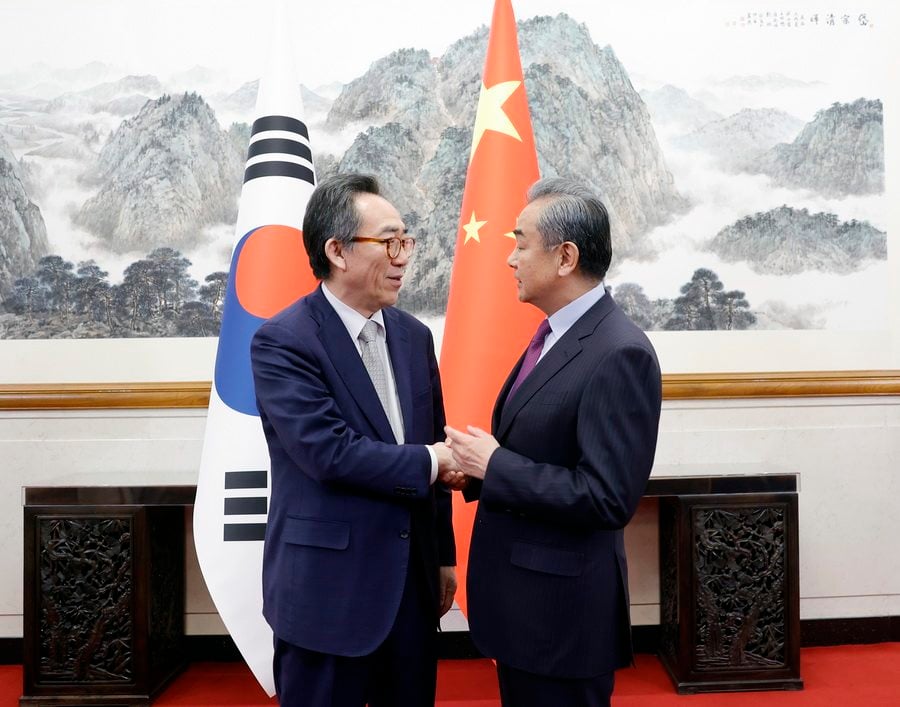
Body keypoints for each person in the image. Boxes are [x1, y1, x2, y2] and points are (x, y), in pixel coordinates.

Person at [445, 178, 662, 707]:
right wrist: (477, 471)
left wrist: (495, 465)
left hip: (561, 618)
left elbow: (607, 497)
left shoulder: (619, 352)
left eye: (520, 243)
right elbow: (546, 453)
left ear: (565, 257)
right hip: (525, 608)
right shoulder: (555, 334)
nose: (510, 259)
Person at [251, 173, 463, 707]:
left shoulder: (415, 337)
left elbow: (429, 440)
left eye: (406, 241)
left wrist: (441, 556)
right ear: (337, 251)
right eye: (388, 241)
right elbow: (328, 453)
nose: (403, 256)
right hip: (327, 596)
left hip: (411, 593)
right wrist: (434, 461)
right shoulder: (284, 341)